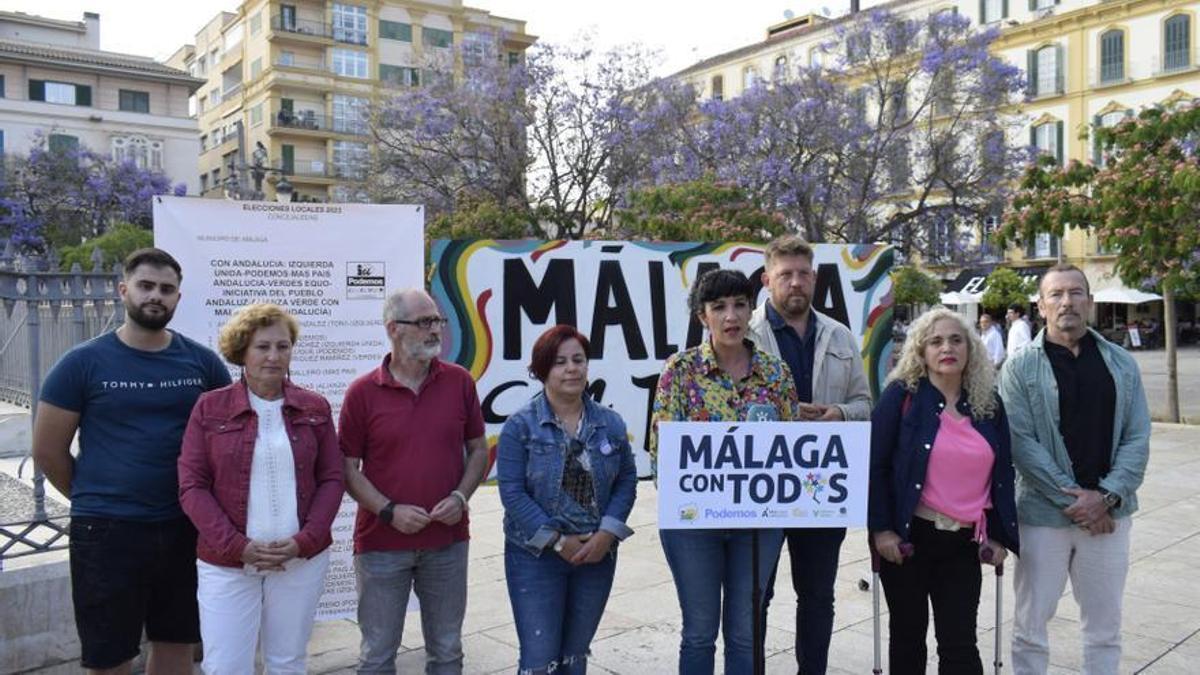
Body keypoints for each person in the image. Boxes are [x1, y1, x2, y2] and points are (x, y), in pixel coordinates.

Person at [31, 248, 232, 674]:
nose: (155, 296)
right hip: (107, 531)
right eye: (145, 286)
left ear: (178, 297)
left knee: (177, 642)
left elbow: (226, 441)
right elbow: (48, 449)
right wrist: (95, 497)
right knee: (110, 654)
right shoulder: (81, 363)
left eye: (166, 289)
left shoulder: (203, 364)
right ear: (124, 290)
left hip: (184, 526)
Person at [999, 264, 1150, 675]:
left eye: (1076, 293)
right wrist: (1077, 499)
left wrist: (1105, 497)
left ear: (1090, 302)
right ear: (1041, 306)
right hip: (1042, 518)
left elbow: (1137, 437)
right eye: (1057, 294)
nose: (1067, 301)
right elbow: (1020, 443)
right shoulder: (1018, 367)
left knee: (1104, 628)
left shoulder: (1120, 363)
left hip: (1108, 518)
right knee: (1031, 626)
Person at [178, 303, 344, 674]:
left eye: (283, 347)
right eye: (262, 346)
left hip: (300, 560)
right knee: (225, 665)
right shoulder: (209, 408)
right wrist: (239, 547)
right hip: (228, 563)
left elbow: (332, 477)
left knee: (288, 662)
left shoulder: (314, 407)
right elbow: (192, 486)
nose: (274, 356)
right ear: (242, 351)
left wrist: (305, 540)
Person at [651, 268, 800, 675]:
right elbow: (660, 453)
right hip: (693, 525)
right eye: (719, 307)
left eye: (739, 305)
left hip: (758, 524)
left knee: (745, 632)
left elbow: (790, 449)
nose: (731, 316)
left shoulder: (776, 373)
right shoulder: (679, 372)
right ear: (703, 317)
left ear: (752, 310)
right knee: (699, 631)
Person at [340, 288, 490, 675]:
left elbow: (477, 449)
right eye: (424, 322)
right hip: (380, 545)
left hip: (448, 543)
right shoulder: (361, 392)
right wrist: (389, 511)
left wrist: (460, 496)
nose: (435, 329)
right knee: (377, 657)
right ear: (394, 328)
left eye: (437, 320)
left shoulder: (459, 382)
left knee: (447, 652)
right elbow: (346, 468)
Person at [869, 307, 1019, 675]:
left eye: (956, 339)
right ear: (921, 352)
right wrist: (882, 529)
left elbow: (1002, 472)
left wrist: (999, 536)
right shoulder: (900, 397)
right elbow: (875, 466)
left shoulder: (988, 403)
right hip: (909, 539)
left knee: (959, 644)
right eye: (935, 341)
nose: (946, 347)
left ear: (970, 348)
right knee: (907, 638)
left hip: (964, 543)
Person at [747, 235, 872, 675]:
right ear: (767, 280)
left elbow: (865, 405)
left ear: (814, 278)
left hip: (822, 488)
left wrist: (838, 412)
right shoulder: (745, 335)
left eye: (803, 274)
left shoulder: (838, 334)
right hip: (761, 488)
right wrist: (778, 414)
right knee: (755, 595)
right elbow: (723, 408)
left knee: (818, 595)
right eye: (785, 275)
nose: (795, 283)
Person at [497, 324, 639, 674]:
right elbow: (512, 493)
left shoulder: (610, 423)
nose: (572, 369)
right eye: (560, 362)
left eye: (579, 360)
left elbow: (627, 480)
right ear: (543, 369)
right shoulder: (520, 426)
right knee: (540, 659)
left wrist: (608, 533)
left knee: (575, 657)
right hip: (536, 557)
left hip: (595, 555)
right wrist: (558, 541)